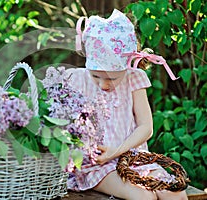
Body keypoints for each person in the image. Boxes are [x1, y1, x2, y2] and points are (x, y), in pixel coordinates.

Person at [66, 9, 188, 200]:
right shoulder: (77, 79)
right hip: (98, 165)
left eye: (112, 78)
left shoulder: (134, 78)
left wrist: (117, 150)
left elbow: (146, 127)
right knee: (143, 197)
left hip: (135, 158)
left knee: (176, 194)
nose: (103, 84)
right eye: (96, 76)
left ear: (126, 66)